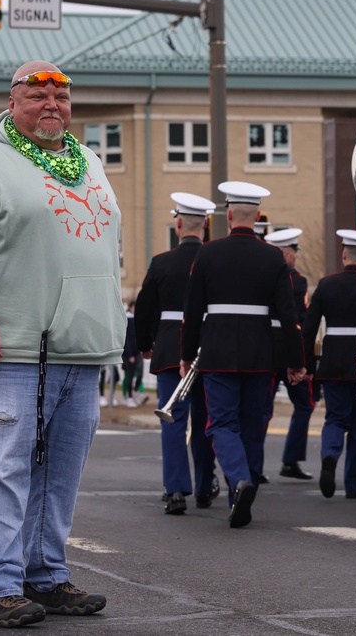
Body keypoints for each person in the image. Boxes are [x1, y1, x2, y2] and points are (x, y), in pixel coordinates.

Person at [0, 61, 120, 627]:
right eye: (37, 95)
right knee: (2, 470)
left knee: (59, 475)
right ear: (13, 102)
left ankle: (45, 576)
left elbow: (106, 250)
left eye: (60, 96)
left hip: (81, 349)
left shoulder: (88, 162)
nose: (51, 105)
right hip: (12, 348)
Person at [181, 181, 307, 528]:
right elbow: (288, 316)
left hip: (219, 351)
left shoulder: (208, 253)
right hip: (260, 353)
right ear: (256, 217)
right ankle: (243, 491)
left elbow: (193, 312)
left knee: (220, 423)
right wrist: (296, 361)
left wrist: (186, 354)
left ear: (231, 214)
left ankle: (239, 480)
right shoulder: (273, 257)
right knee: (252, 425)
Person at [134, 192, 219, 515]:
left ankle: (175, 490)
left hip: (171, 347)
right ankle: (204, 486)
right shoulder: (214, 260)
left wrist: (145, 342)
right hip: (207, 348)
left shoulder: (161, 261)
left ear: (179, 224)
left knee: (173, 420)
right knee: (205, 420)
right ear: (206, 226)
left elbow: (144, 308)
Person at [307, 229, 356, 498]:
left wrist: (308, 364)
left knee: (335, 419)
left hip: (333, 361)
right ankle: (354, 484)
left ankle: (329, 457)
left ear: (345, 254)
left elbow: (310, 328)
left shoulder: (327, 284)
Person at [262, 227, 316, 481]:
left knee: (261, 409)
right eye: (293, 251)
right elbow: (299, 321)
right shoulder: (297, 281)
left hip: (265, 349)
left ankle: (255, 464)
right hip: (288, 351)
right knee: (304, 404)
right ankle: (291, 459)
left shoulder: (261, 277)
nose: (295, 256)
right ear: (285, 254)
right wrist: (302, 359)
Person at [121, 302, 146, 408]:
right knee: (130, 375)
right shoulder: (127, 319)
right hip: (129, 353)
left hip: (138, 352)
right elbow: (126, 338)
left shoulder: (138, 319)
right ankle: (129, 397)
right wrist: (129, 354)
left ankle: (135, 391)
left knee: (140, 373)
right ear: (130, 308)